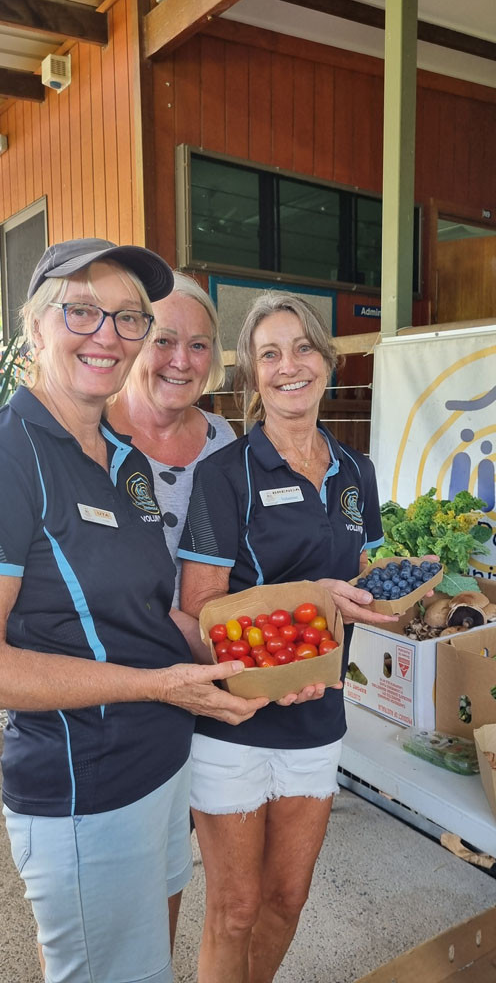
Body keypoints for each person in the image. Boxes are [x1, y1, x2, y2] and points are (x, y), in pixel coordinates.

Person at [0, 238, 267, 983]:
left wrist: (252, 661)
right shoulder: (13, 455)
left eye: (126, 318)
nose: (107, 335)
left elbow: (159, 616)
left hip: (158, 764)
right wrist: (157, 686)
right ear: (34, 327)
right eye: (80, 311)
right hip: (87, 782)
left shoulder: (119, 456)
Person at [178, 292, 394, 983]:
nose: (288, 365)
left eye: (302, 347)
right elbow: (199, 610)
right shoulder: (223, 475)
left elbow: (367, 577)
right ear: (253, 378)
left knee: (286, 899)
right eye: (269, 353)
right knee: (235, 909)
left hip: (318, 716)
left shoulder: (355, 471)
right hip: (238, 721)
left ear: (327, 362)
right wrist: (306, 603)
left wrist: (409, 589)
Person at [108, 271, 236, 609]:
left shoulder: (222, 437)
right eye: (163, 340)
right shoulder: (92, 433)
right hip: (119, 649)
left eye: (198, 345)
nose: (181, 362)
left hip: (211, 643)